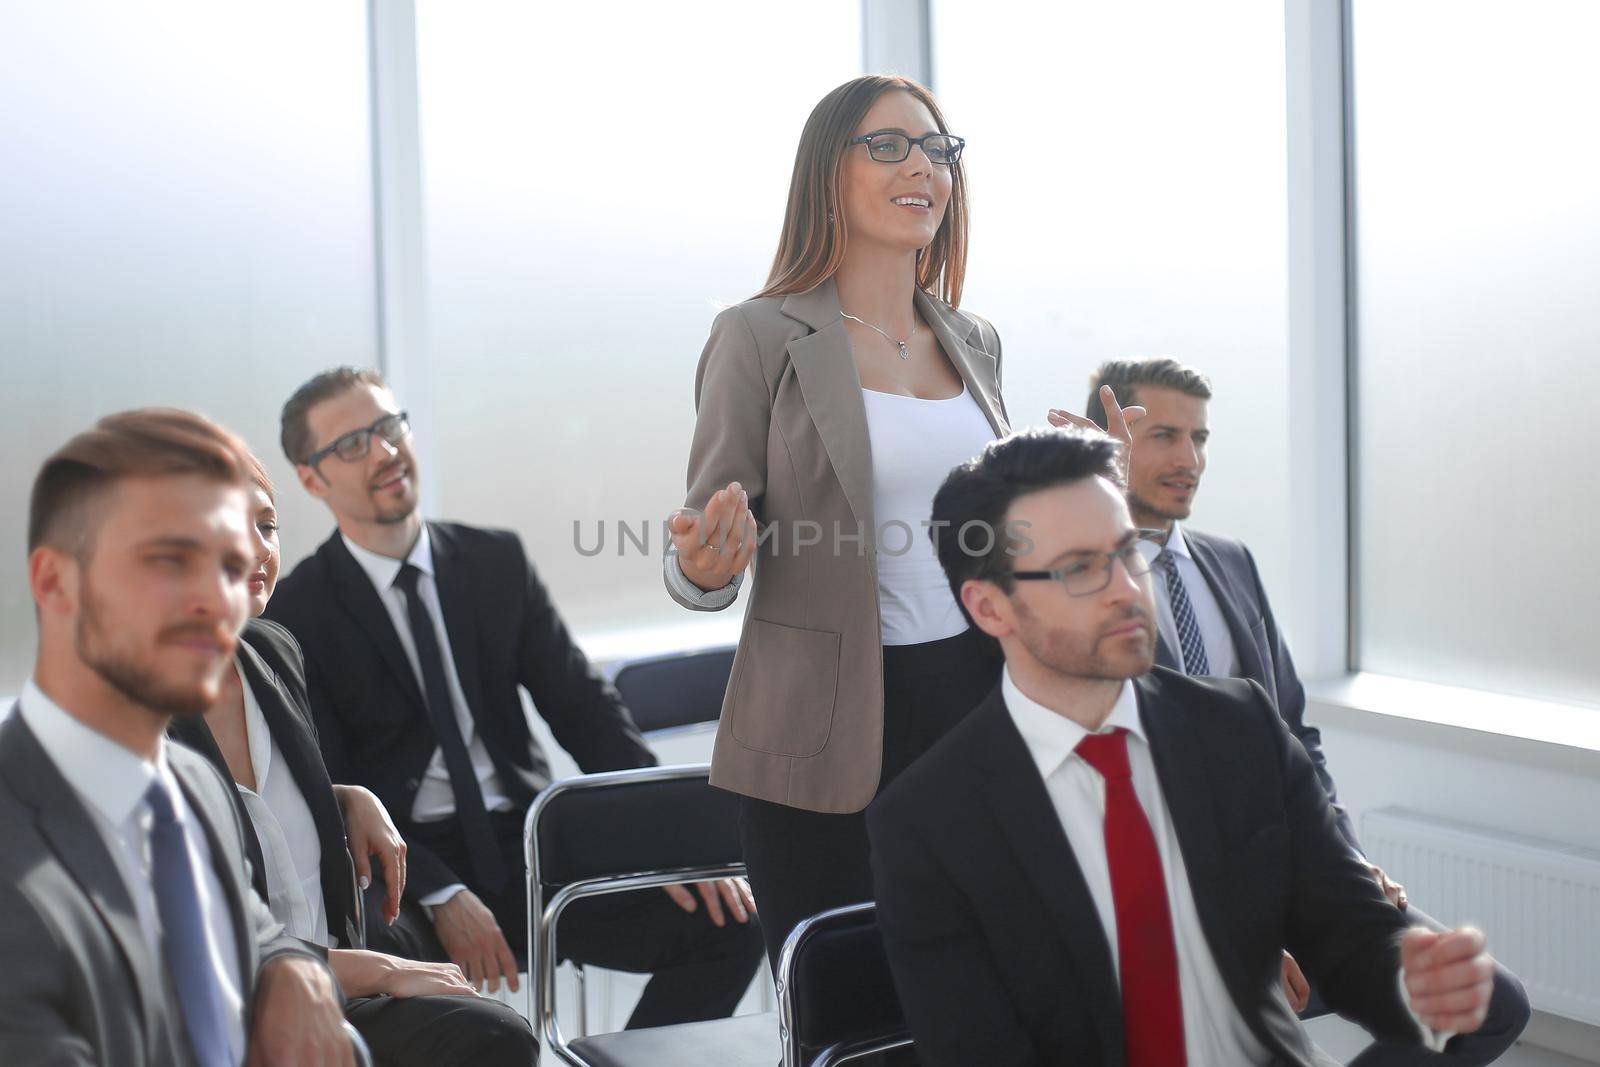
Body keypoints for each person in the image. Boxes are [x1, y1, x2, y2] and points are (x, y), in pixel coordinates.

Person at [663, 73, 1132, 969]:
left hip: (977, 704)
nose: (922, 165)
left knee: (996, 1006)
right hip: (826, 735)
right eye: (889, 146)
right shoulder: (758, 335)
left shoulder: (973, 339)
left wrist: (1082, 489)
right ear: (826, 175)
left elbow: (984, 535)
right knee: (858, 1013)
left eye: (938, 149)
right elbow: (705, 538)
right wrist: (707, 569)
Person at [868, 427, 1509, 1066]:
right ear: (990, 608)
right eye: (1082, 568)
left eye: (1127, 552)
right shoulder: (928, 822)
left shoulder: (1240, 729)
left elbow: (1349, 936)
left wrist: (1411, 980)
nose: (1126, 589)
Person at [265, 367, 762, 1027]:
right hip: (404, 869)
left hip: (529, 835)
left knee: (729, 919)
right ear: (311, 477)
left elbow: (584, 709)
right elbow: (338, 785)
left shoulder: (493, 561)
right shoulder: (298, 610)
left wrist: (659, 830)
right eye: (353, 444)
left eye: (388, 428)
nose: (383, 452)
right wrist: (440, 890)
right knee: (397, 990)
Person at [1086, 356, 1528, 1058]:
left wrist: (1347, 859)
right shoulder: (1080, 594)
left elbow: (1295, 736)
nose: (1189, 457)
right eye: (1165, 435)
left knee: (1488, 1005)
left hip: (1302, 879)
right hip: (1179, 910)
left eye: (1200, 438)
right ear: (1111, 443)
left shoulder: (1231, 561)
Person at [1, 408, 352, 1066]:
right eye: (169, 559)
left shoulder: (189, 788)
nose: (215, 599)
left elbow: (248, 926)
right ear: (54, 580)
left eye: (230, 564)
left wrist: (289, 967)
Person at [169, 455, 537, 1065]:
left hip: (326, 988)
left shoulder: (271, 650)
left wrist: (342, 796)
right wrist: (382, 969)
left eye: (267, 526)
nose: (258, 550)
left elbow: (259, 802)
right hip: (218, 1015)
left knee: (493, 1032)